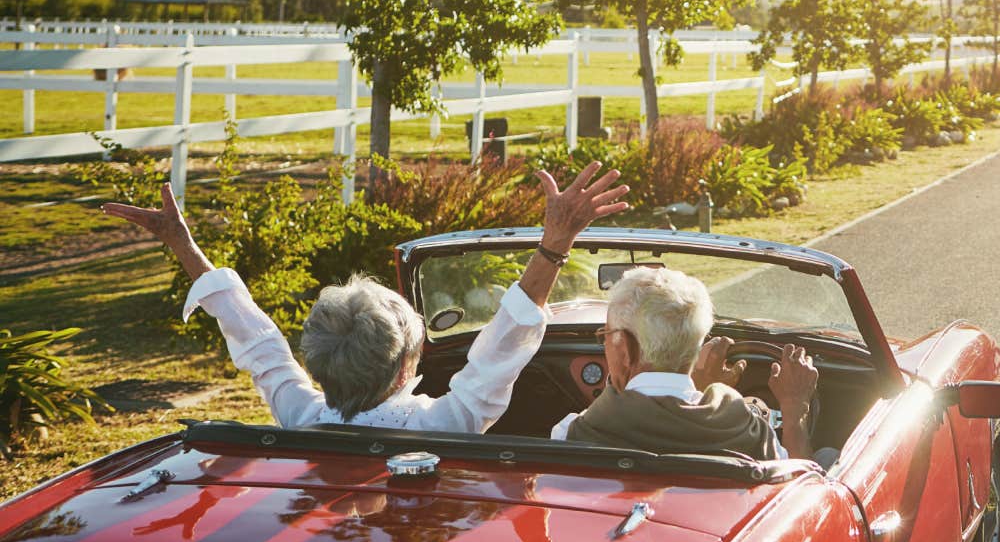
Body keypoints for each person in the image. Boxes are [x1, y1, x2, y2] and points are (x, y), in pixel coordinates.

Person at [101, 163, 630, 432]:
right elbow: (503, 345)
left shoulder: (302, 417)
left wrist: (186, 248)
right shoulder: (445, 424)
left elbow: (259, 343)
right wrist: (555, 242)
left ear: (320, 365)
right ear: (405, 369)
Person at [551, 265, 819, 461]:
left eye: (606, 336)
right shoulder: (751, 431)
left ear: (625, 347)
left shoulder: (573, 434)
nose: (605, 344)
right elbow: (801, 485)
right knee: (829, 455)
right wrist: (795, 411)